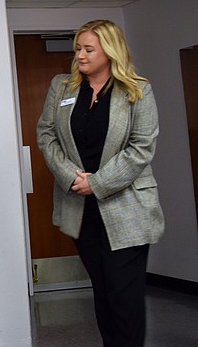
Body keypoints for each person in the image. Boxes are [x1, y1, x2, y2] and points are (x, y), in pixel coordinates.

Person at [37, 19, 163, 347]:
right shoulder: (62, 87)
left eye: (88, 49)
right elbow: (46, 135)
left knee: (124, 296)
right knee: (104, 294)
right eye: (78, 48)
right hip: (82, 210)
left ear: (110, 51)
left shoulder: (137, 89)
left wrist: (99, 183)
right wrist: (70, 176)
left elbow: (141, 147)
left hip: (127, 208)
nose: (80, 55)